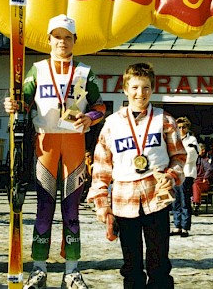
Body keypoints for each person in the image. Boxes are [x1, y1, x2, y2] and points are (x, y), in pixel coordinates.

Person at [4, 14, 106, 289]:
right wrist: (13, 106)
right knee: (44, 207)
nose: (62, 42)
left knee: (71, 209)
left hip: (74, 144)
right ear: (49, 40)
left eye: (67, 37)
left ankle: (72, 271)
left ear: (75, 41)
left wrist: (91, 117)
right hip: (45, 143)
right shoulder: (37, 69)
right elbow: (23, 102)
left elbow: (100, 106)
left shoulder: (85, 71)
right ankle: (39, 269)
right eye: (57, 36)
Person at [87, 63, 186, 289]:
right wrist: (102, 204)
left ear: (152, 89)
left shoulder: (164, 120)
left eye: (145, 88)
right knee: (131, 264)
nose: (140, 93)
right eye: (134, 88)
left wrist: (171, 176)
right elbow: (101, 167)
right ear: (125, 89)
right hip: (124, 200)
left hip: (156, 199)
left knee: (159, 262)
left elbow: (179, 156)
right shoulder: (112, 124)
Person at [171, 117, 199, 237]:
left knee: (185, 201)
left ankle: (185, 227)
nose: (181, 129)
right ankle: (177, 226)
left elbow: (191, 156)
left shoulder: (192, 140)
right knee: (175, 201)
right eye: (179, 127)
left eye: (184, 127)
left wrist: (178, 157)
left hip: (187, 173)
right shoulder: (173, 139)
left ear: (188, 128)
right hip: (175, 173)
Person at [192, 143, 213, 215]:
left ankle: (196, 204)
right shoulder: (190, 160)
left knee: (196, 185)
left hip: (202, 182)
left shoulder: (202, 160)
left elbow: (210, 168)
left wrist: (205, 177)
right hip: (191, 182)